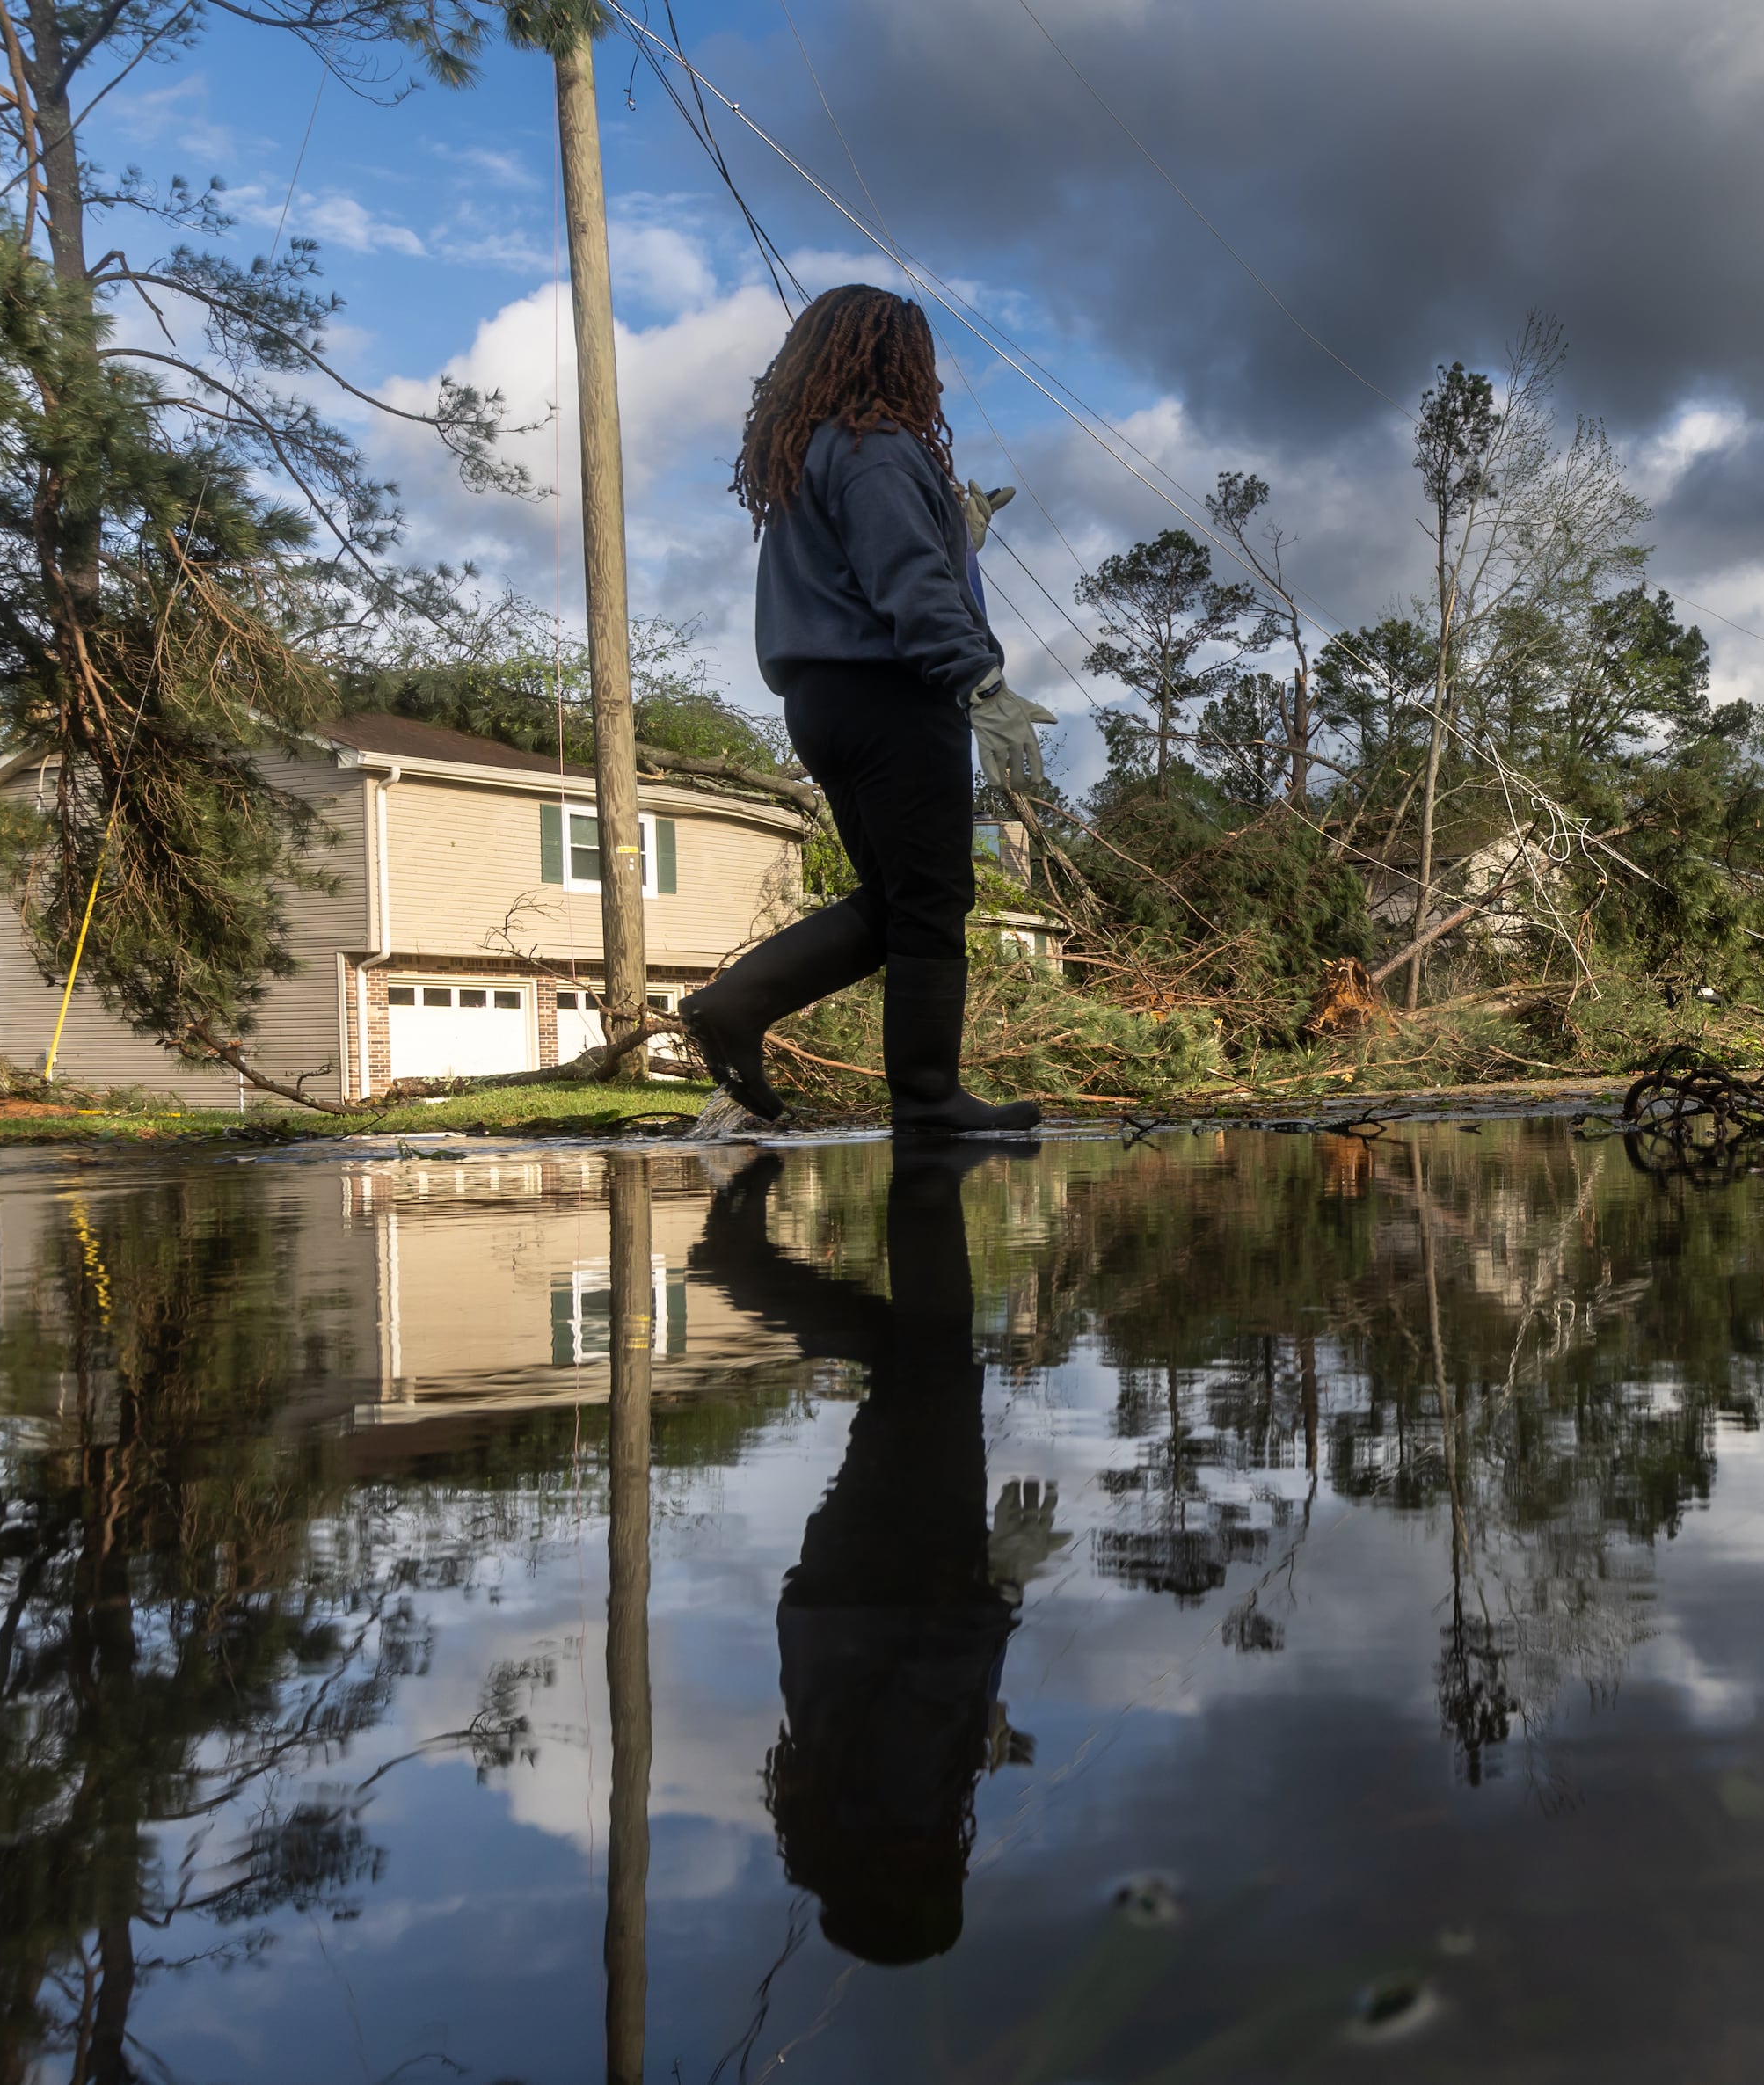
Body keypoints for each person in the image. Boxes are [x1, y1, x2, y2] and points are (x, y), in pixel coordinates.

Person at [680, 282, 1041, 1135]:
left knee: (901, 899)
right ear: (893, 358)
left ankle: (736, 1007)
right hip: (892, 695)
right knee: (932, 898)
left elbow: (886, 561)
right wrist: (985, 692)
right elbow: (909, 586)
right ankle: (927, 1098)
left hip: (825, 701)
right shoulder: (876, 448)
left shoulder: (814, 456)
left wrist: (961, 529)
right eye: (923, 361)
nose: (935, 384)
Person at [694, 1145, 1040, 1965]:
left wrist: (1007, 1580)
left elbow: (933, 1677)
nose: (962, 1862)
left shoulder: (903, 1810)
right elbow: (924, 1698)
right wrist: (991, 1725)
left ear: (923, 1880)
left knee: (934, 1361)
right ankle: (751, 1261)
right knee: (916, 1357)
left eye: (950, 1882)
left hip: (907, 1573)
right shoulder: (831, 1811)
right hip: (841, 1588)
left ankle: (745, 1264)